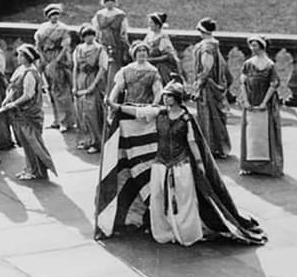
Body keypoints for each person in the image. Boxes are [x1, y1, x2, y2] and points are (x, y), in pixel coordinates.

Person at [106, 81, 266, 246]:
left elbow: (192, 143)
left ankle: (186, 233)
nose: (166, 99)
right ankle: (166, 232)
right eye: (165, 95)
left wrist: (199, 163)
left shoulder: (185, 118)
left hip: (181, 166)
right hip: (160, 165)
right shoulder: (159, 113)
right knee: (159, 200)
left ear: (177, 98)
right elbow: (138, 111)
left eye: (169, 96)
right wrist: (116, 106)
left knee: (184, 202)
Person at [0, 44, 56, 181]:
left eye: (21, 55)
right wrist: (7, 99)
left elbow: (28, 95)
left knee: (32, 142)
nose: (18, 58)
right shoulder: (20, 70)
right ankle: (30, 168)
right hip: (20, 112)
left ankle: (36, 170)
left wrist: (13, 104)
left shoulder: (31, 73)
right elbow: (13, 88)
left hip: (30, 113)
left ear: (28, 57)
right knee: (24, 141)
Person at [238, 36, 285, 177]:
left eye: (255, 45)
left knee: (266, 133)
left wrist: (264, 102)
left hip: (265, 103)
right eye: (251, 45)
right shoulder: (248, 64)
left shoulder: (270, 65)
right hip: (251, 101)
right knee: (250, 133)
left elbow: (273, 85)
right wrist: (245, 101)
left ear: (262, 46)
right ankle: (248, 166)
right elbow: (243, 84)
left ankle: (268, 167)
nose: (252, 48)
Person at [191, 17, 231, 159]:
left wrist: (199, 84)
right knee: (215, 116)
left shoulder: (206, 47)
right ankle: (218, 146)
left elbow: (206, 68)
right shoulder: (213, 44)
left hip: (208, 86)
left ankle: (211, 147)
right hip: (214, 84)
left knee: (208, 115)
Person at [34, 3, 75, 131]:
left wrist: (56, 61)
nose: (55, 17)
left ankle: (65, 120)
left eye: (56, 14)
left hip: (58, 59)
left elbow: (65, 47)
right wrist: (42, 58)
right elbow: (38, 45)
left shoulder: (63, 28)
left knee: (61, 89)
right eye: (52, 15)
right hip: (46, 58)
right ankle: (56, 119)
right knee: (51, 89)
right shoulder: (42, 28)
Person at [106, 40, 162, 129]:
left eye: (144, 51)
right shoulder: (126, 70)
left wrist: (153, 107)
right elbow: (118, 87)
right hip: (128, 107)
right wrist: (110, 100)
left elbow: (158, 92)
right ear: (134, 54)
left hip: (144, 107)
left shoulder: (153, 71)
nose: (142, 53)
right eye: (139, 51)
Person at [71, 24, 108, 153]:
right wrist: (74, 85)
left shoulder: (100, 49)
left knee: (92, 112)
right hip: (81, 79)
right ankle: (85, 140)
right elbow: (75, 68)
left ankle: (96, 142)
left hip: (93, 79)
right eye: (86, 36)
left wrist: (93, 85)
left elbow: (102, 68)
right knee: (81, 112)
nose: (89, 38)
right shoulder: (79, 49)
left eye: (91, 35)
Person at [92, 0, 130, 93]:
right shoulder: (99, 15)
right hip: (102, 44)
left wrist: (125, 45)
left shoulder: (120, 15)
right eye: (106, 1)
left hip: (116, 45)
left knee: (114, 70)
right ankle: (102, 92)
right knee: (102, 68)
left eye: (111, 1)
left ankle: (113, 93)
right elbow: (96, 31)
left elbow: (123, 32)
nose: (109, 3)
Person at [143, 12, 179, 83]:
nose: (149, 25)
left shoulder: (163, 38)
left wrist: (152, 60)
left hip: (160, 67)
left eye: (151, 23)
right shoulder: (150, 35)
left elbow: (168, 56)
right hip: (149, 64)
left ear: (157, 25)